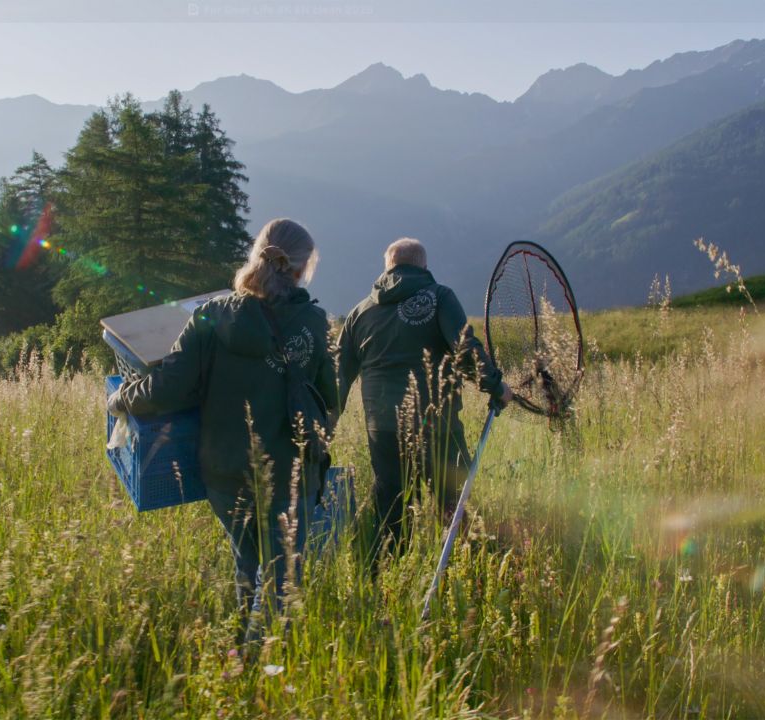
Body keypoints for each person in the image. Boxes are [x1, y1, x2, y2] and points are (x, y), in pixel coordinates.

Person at [107, 218, 337, 642]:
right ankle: (256, 671)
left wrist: (121, 398)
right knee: (282, 579)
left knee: (248, 561)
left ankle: (239, 651)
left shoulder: (212, 315)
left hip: (225, 471)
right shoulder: (315, 323)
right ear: (302, 268)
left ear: (256, 256)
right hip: (290, 474)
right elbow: (328, 401)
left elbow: (169, 386)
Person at [336, 237, 511, 563]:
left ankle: (382, 579)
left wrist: (321, 426)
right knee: (453, 503)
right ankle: (472, 570)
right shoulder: (440, 296)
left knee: (391, 506)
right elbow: (465, 350)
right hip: (437, 425)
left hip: (383, 430)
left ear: (387, 268)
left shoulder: (359, 313)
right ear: (424, 267)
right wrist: (496, 387)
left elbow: (338, 378)